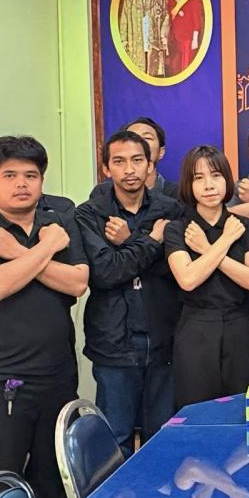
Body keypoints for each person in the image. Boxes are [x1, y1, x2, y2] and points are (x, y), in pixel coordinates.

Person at [0, 136, 89, 498]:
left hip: (58, 373)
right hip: (2, 377)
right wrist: (44, 250)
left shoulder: (58, 224)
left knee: (53, 476)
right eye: (10, 175)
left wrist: (17, 253)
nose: (22, 183)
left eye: (31, 175)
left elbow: (78, 283)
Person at [76, 130, 184, 453]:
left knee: (163, 439)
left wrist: (128, 242)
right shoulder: (89, 213)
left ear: (150, 164)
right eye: (119, 162)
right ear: (106, 168)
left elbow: (178, 270)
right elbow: (106, 272)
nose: (129, 169)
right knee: (115, 438)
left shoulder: (171, 210)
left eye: (137, 160)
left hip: (164, 337)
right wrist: (150, 241)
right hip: (114, 341)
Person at [165, 145, 249, 406]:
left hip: (240, 325)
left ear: (227, 179)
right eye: (199, 178)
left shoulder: (242, 226)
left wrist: (208, 249)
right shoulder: (178, 229)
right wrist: (224, 241)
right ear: (188, 184)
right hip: (196, 326)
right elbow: (188, 279)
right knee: (196, 410)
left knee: (241, 408)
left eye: (216, 176)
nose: (209, 185)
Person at [118, 0, 168, 76]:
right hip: (136, 40)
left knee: (152, 71)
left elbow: (165, 18)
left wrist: (163, 36)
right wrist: (124, 40)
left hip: (152, 40)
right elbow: (124, 21)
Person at [126, 117, 180, 199]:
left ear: (161, 152)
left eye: (147, 138)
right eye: (131, 138)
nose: (139, 143)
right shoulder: (106, 195)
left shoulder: (178, 195)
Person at [164, 0, 204, 75]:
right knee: (174, 68)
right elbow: (168, 21)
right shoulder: (171, 1)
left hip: (187, 40)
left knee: (186, 67)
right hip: (174, 40)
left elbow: (197, 22)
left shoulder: (194, 1)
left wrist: (195, 39)